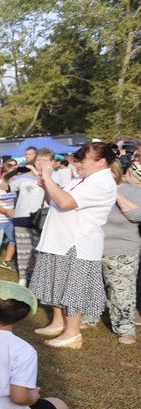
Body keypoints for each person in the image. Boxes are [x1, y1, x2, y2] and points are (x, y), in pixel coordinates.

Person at [30, 142, 119, 349]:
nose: (77, 164)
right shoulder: (82, 178)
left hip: (77, 243)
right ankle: (58, 322)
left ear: (101, 162)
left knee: (73, 289)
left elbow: (66, 203)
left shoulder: (102, 182)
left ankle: (72, 333)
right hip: (59, 239)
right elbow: (56, 199)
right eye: (77, 159)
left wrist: (49, 178)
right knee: (57, 283)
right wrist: (47, 185)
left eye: (83, 160)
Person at [100, 153, 141, 344]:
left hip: (122, 248)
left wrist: (115, 193)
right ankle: (89, 318)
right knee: (95, 287)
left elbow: (137, 215)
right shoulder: (92, 191)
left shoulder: (132, 190)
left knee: (121, 291)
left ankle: (125, 328)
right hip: (93, 247)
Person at [10, 148, 50, 286]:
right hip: (22, 217)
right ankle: (23, 278)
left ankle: (41, 280)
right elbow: (6, 187)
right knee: (23, 251)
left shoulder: (54, 177)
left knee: (39, 251)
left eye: (45, 160)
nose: (41, 163)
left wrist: (42, 176)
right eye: (39, 160)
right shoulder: (24, 177)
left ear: (52, 162)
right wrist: (13, 171)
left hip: (41, 220)